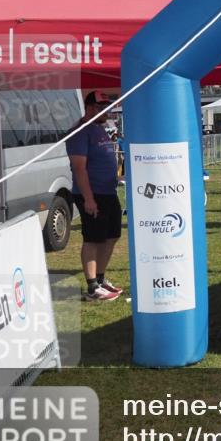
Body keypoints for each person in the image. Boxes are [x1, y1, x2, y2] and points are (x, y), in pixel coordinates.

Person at [66, 90, 124, 301]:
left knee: (112, 235)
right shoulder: (80, 132)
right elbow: (79, 168)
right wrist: (88, 198)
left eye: (107, 107)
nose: (106, 112)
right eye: (101, 108)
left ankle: (100, 279)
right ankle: (92, 287)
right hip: (92, 194)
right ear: (89, 108)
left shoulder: (99, 128)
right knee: (93, 238)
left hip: (108, 192)